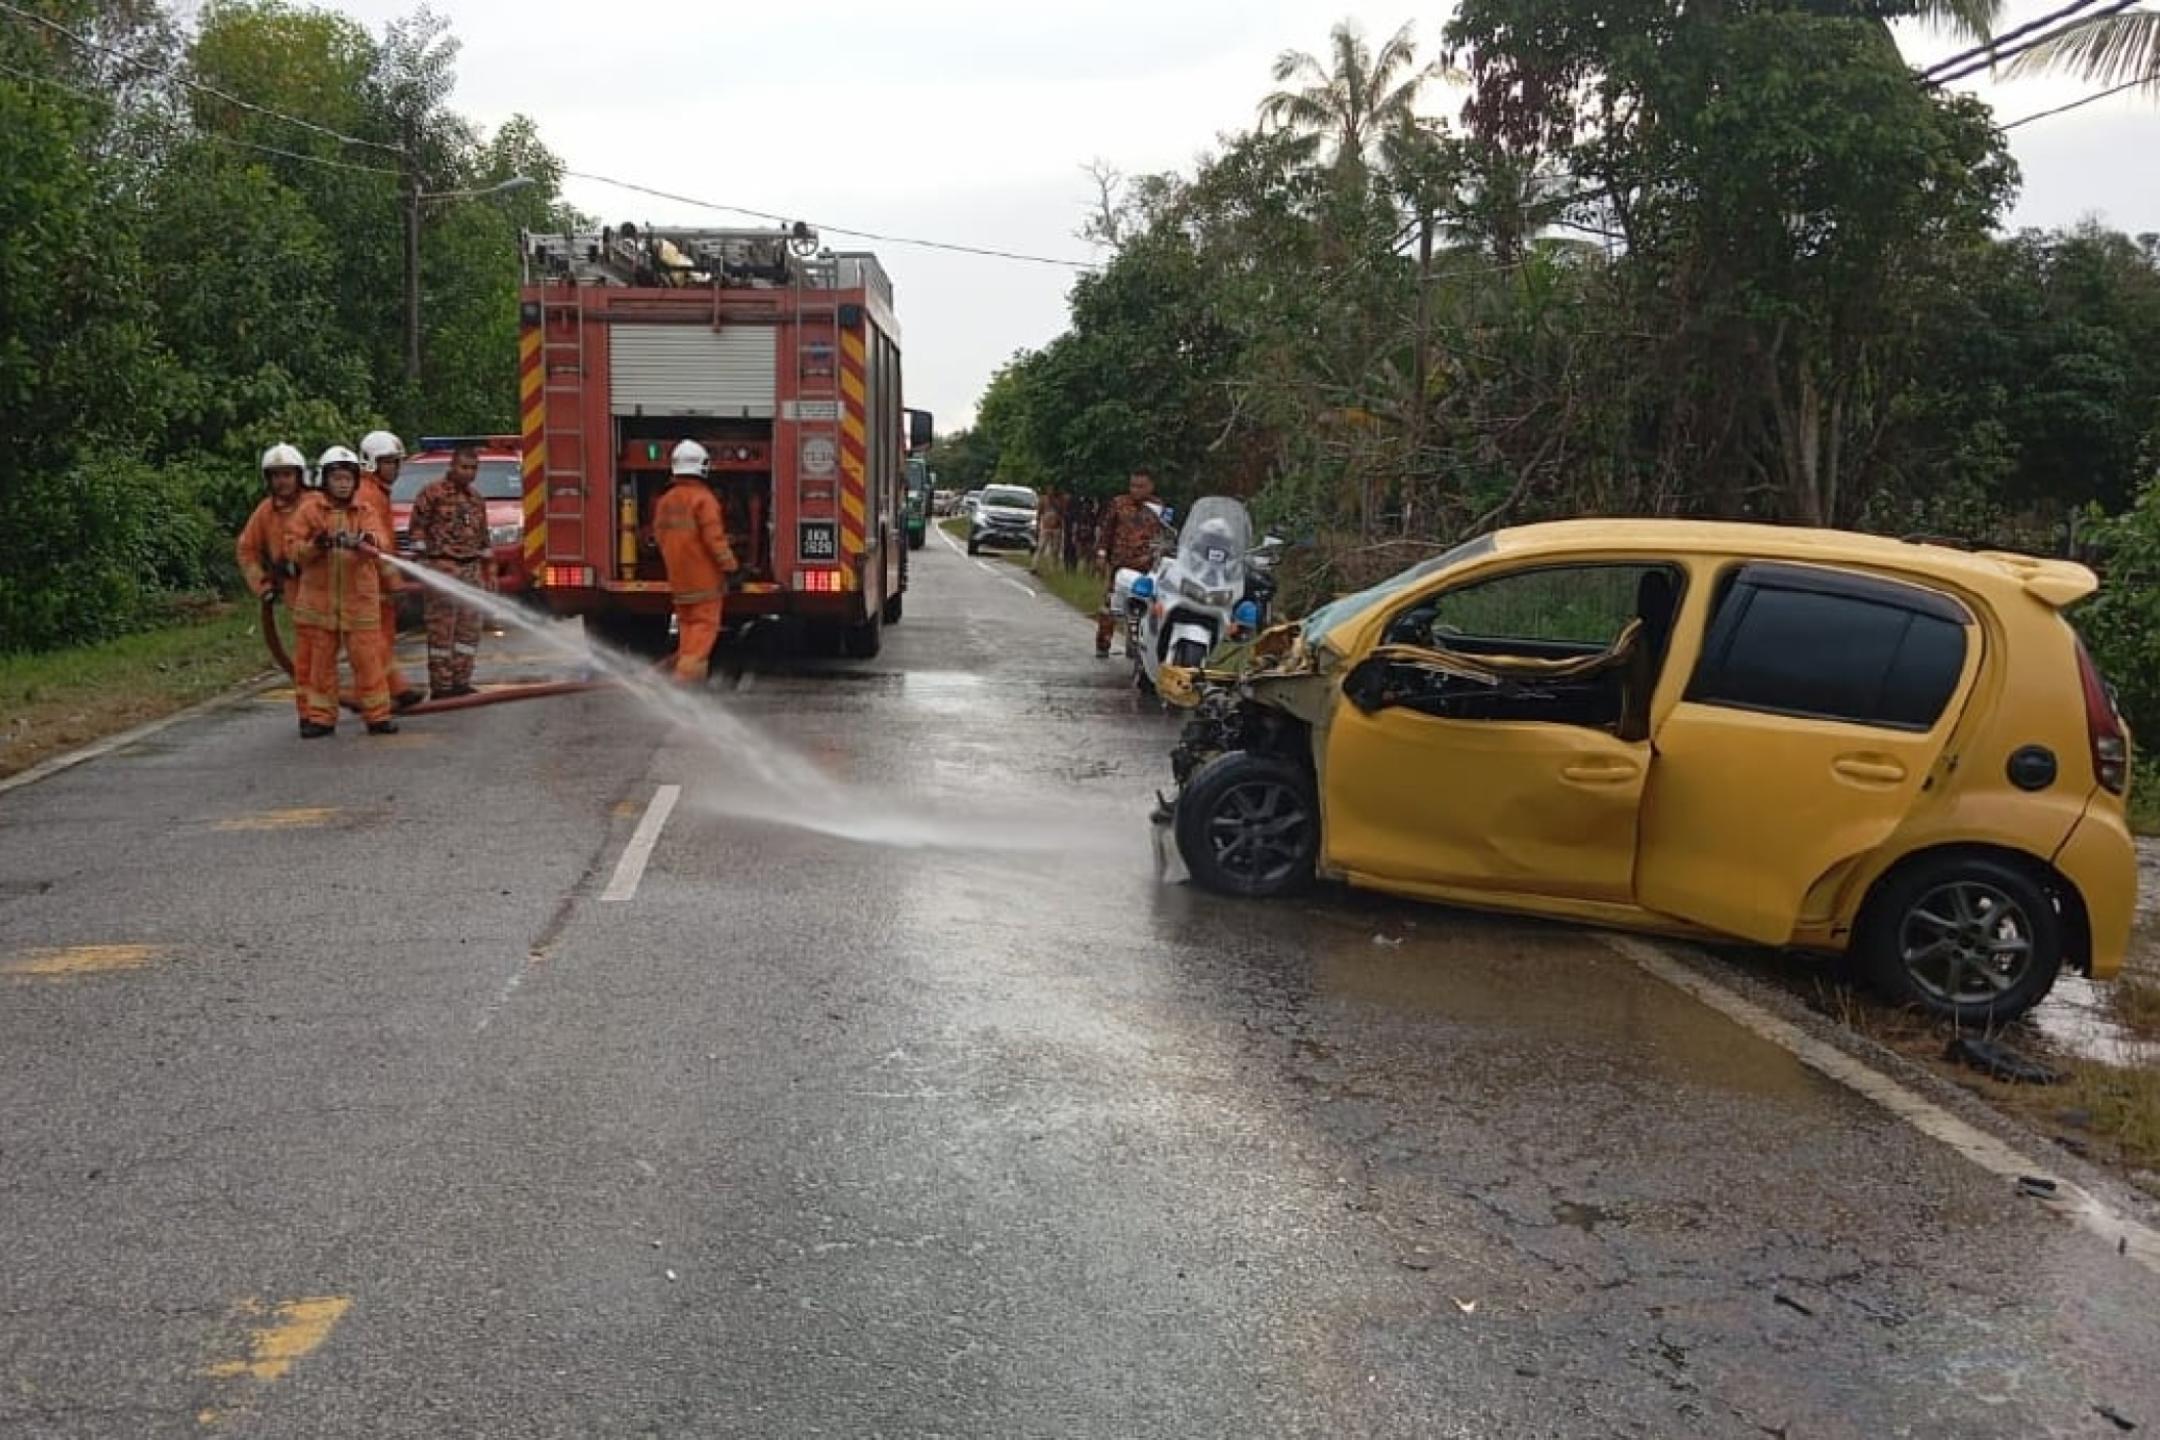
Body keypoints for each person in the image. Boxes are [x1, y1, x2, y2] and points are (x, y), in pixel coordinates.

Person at [286, 446, 396, 738]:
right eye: (337, 478)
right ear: (325, 480)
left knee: (369, 662)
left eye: (348, 478)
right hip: (319, 605)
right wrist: (316, 545)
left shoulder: (365, 510)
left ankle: (378, 716)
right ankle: (321, 718)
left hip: (359, 602)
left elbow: (381, 542)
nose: (343, 484)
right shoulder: (310, 511)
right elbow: (293, 549)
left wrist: (363, 539)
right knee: (320, 666)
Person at [408, 440, 490, 700]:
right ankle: (441, 686)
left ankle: (461, 681)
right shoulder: (432, 493)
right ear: (452, 466)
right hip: (442, 566)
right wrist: (424, 560)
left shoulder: (476, 499)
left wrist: (487, 569)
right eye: (464, 467)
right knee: (442, 630)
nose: (469, 473)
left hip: (470, 569)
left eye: (473, 468)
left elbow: (483, 537)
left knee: (469, 629)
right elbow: (417, 528)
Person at [653, 439, 739, 682]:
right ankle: (685, 685)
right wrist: (731, 568)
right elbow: (715, 541)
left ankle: (687, 676)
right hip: (705, 585)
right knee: (701, 637)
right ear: (703, 466)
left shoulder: (665, 501)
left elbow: (660, 537)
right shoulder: (704, 500)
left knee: (688, 632)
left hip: (679, 583)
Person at [357, 430, 425, 711]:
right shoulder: (367, 494)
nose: (394, 469)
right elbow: (379, 544)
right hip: (369, 583)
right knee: (373, 642)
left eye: (397, 463)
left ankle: (390, 690)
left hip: (378, 583)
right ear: (371, 463)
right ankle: (389, 692)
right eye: (388, 462)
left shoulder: (378, 492)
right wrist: (395, 580)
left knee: (381, 639)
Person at [1093, 469, 1163, 657]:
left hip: (1148, 565)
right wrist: (1101, 553)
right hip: (1121, 562)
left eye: (1141, 486)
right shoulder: (1119, 504)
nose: (1136, 490)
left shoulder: (1157, 508)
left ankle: (1137, 644)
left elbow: (1165, 535)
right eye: (1133, 485)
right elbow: (1106, 531)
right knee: (1111, 605)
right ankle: (1103, 642)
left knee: (1143, 605)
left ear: (1150, 487)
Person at [236, 444, 308, 611]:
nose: (281, 481)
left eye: (287, 475)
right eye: (276, 476)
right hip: (294, 594)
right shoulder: (265, 510)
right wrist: (263, 585)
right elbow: (246, 549)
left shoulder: (317, 504)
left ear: (299, 476)